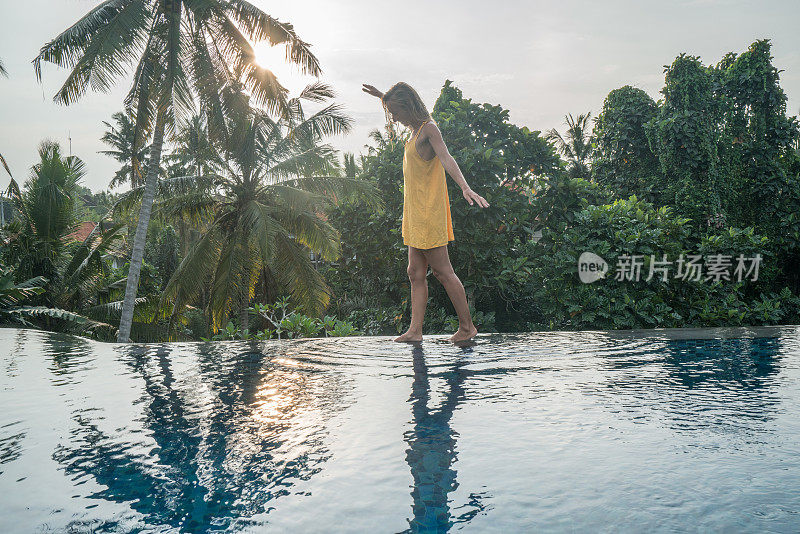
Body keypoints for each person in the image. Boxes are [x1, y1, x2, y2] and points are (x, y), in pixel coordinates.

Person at [362, 82, 490, 343]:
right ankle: (415, 331)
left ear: (408, 106)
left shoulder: (428, 129)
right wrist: (381, 96)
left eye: (395, 112)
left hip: (429, 212)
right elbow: (395, 106)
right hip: (415, 213)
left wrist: (466, 187)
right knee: (415, 273)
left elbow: (446, 158)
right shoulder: (413, 131)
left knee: (443, 272)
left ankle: (467, 327)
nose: (394, 118)